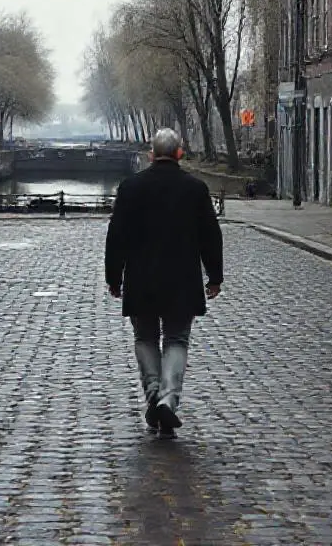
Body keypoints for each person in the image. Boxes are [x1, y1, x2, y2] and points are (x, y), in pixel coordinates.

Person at [105, 128, 223, 440]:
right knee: (177, 340)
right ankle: (169, 399)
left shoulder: (131, 188)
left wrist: (114, 277)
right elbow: (210, 235)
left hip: (142, 278)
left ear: (151, 155)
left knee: (145, 338)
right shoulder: (195, 189)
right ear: (180, 153)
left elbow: (116, 236)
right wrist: (215, 276)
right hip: (182, 279)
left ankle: (154, 393)